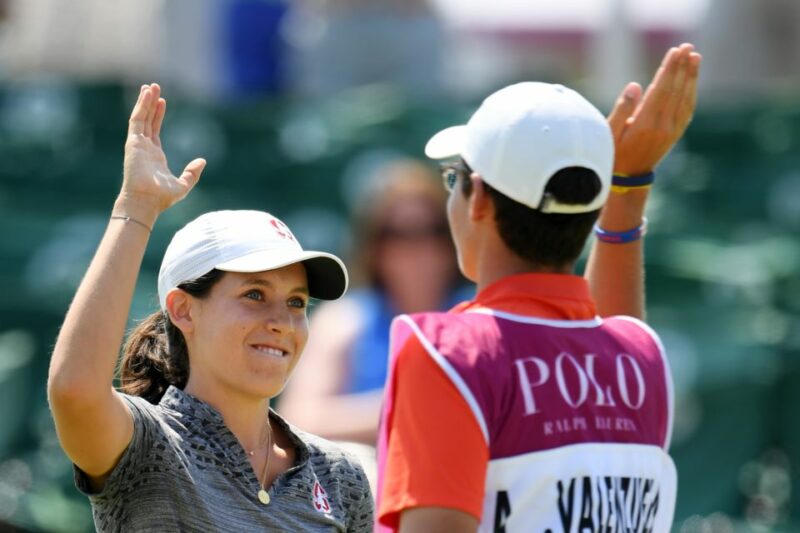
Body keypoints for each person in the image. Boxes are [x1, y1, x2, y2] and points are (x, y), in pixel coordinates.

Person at [376, 43, 702, 532]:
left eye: (452, 179)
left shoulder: (448, 353)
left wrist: (626, 187)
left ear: (479, 197)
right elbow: (607, 336)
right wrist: (628, 188)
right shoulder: (643, 357)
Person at [47, 83, 374, 531]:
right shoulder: (147, 445)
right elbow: (75, 391)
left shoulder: (341, 477)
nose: (282, 323)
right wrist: (137, 208)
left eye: (296, 302)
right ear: (182, 310)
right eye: (254, 295)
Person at [280, 158, 467, 446]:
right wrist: (412, 405)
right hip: (369, 482)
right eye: (397, 234)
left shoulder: (478, 313)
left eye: (432, 231)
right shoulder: (345, 319)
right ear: (374, 246)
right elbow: (299, 420)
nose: (417, 248)